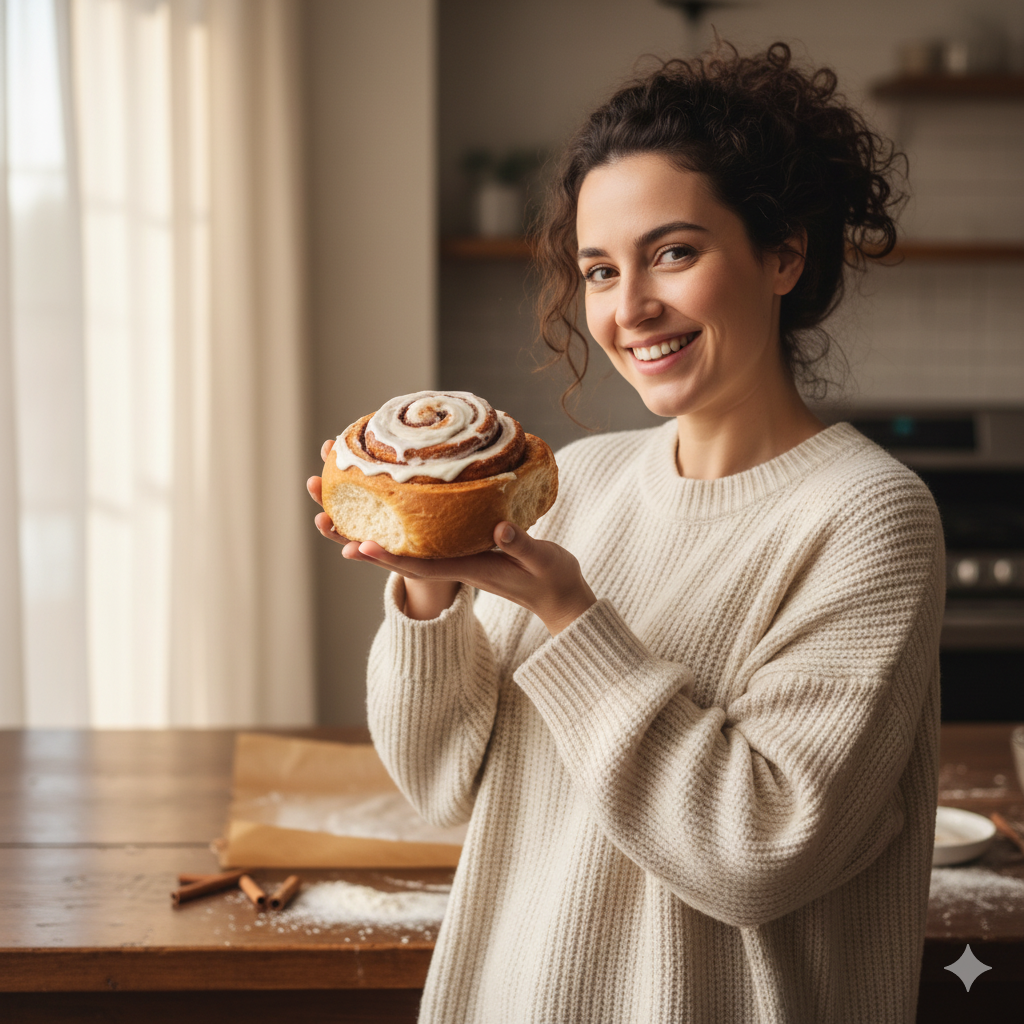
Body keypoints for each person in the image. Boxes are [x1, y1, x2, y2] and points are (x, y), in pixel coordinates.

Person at [307, 42, 944, 1024]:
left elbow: (754, 854)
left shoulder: (866, 515)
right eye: (598, 270)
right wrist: (429, 592)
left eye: (673, 252)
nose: (629, 307)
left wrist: (568, 612)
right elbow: (440, 785)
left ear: (784, 253)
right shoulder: (576, 483)